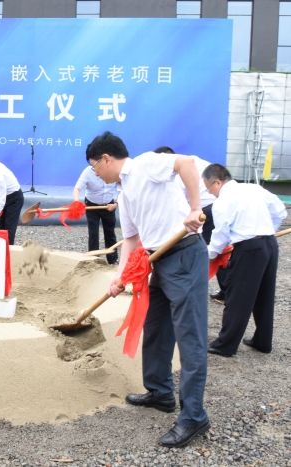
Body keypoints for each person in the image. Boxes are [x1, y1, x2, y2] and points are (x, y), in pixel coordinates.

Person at [87, 131, 209, 448]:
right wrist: (119, 277)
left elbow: (186, 163)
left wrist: (194, 208)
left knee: (190, 336)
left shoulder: (145, 164)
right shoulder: (124, 192)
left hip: (184, 253)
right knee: (156, 327)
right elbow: (130, 239)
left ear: (106, 159)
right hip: (159, 260)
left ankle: (194, 416)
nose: (94, 173)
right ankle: (160, 391)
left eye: (94, 166)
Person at [204, 164, 287, 357]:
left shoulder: (223, 201)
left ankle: (225, 345)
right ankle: (263, 341)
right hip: (269, 243)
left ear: (217, 182)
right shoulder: (253, 188)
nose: (210, 193)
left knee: (237, 297)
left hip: (249, 248)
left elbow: (220, 234)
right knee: (264, 294)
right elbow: (280, 211)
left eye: (209, 188)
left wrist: (209, 255)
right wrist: (266, 230)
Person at [154, 146, 227, 300]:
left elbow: (179, 201)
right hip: (217, 205)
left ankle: (214, 290)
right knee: (218, 247)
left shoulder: (176, 172)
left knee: (203, 250)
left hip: (203, 212)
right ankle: (225, 289)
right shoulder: (195, 160)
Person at [72, 165, 119, 264]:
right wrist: (76, 202)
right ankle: (93, 260)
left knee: (110, 233)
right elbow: (77, 188)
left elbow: (123, 189)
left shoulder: (114, 169)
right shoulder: (88, 171)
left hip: (109, 205)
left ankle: (113, 260)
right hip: (91, 205)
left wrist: (116, 204)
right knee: (93, 233)